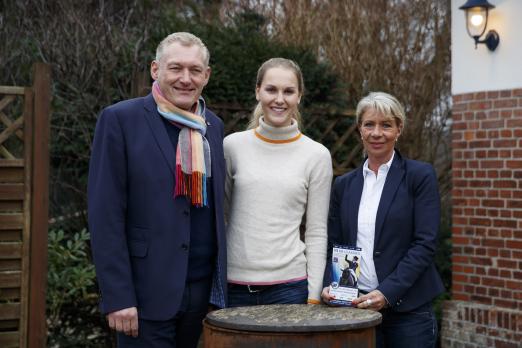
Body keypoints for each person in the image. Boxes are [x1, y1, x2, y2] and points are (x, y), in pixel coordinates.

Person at [88, 32, 227, 348]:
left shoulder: (213, 126)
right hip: (144, 295)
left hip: (201, 294)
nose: (185, 79)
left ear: (206, 76)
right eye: (175, 68)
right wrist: (118, 297)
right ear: (155, 70)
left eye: (195, 70)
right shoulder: (120, 120)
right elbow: (104, 215)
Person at [321, 92, 444, 347]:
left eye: (386, 125)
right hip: (356, 308)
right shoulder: (344, 185)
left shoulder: (419, 177)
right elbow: (337, 244)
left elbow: (425, 244)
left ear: (399, 129)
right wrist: (333, 287)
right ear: (360, 130)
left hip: (408, 312)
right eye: (369, 124)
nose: (377, 133)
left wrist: (386, 293)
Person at [224, 58, 333, 307]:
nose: (279, 99)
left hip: (290, 288)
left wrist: (314, 296)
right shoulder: (231, 146)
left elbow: (316, 231)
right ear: (257, 91)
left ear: (299, 96)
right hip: (234, 286)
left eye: (289, 91)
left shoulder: (316, 155)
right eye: (271, 89)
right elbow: (221, 218)